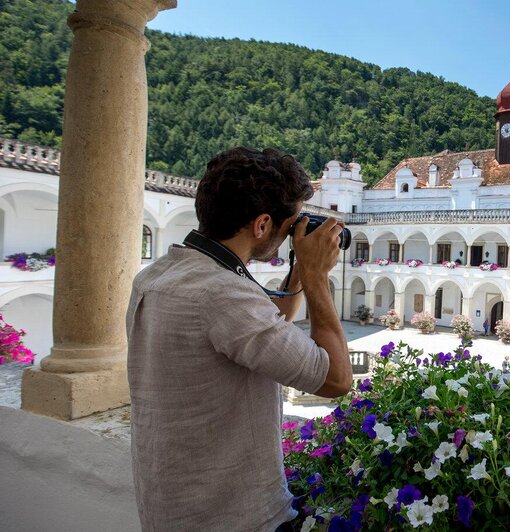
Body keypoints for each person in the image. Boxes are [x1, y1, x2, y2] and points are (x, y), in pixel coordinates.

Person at [126, 147, 353, 532]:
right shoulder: (222, 294)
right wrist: (317, 276)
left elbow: (264, 332)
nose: (291, 234)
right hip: (236, 516)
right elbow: (335, 380)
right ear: (262, 225)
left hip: (173, 506)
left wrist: (298, 271)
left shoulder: (160, 274)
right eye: (290, 224)